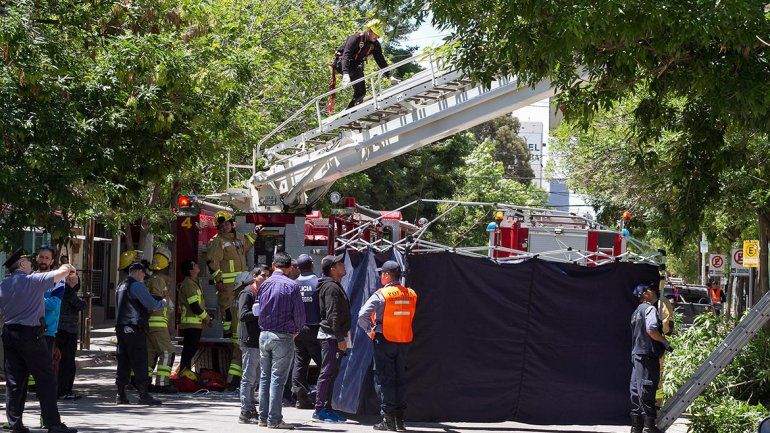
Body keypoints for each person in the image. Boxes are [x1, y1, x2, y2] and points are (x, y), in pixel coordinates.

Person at [0, 248, 78, 433]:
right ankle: (53, 424)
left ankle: (15, 424)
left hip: (9, 333)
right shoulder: (33, 280)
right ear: (21, 264)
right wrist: (70, 268)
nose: (31, 265)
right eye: (28, 262)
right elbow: (62, 271)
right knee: (47, 379)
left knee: (15, 381)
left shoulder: (3, 284)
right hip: (30, 335)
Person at [358, 261, 417, 432]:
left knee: (385, 380)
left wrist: (370, 330)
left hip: (384, 340)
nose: (380, 277)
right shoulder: (411, 294)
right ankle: (399, 420)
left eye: (381, 274)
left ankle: (388, 419)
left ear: (386, 275)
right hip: (404, 341)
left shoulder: (382, 294)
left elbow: (363, 314)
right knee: (400, 379)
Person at [206, 212, 261, 389]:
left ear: (232, 224)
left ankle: (236, 336)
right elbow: (212, 262)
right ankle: (229, 333)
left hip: (242, 284)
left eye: (227, 224)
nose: (224, 227)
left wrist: (255, 233)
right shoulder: (217, 241)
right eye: (221, 225)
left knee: (238, 312)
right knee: (228, 310)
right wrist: (218, 280)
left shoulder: (238, 238)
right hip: (228, 286)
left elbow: (246, 245)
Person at [257, 252, 306, 429]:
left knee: (264, 378)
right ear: (289, 267)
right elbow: (300, 315)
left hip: (264, 334)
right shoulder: (292, 286)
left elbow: (258, 308)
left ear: (272, 265)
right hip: (283, 336)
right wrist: (296, 331)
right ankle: (274, 420)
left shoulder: (264, 284)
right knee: (277, 379)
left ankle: (263, 418)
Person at [115, 262, 166, 406]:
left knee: (123, 360)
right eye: (143, 273)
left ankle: (121, 394)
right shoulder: (136, 285)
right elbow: (152, 304)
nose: (144, 277)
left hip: (121, 327)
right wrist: (162, 302)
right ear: (138, 272)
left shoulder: (120, 286)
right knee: (140, 360)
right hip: (134, 327)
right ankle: (143, 394)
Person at [629, 282, 673, 433]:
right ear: (644, 294)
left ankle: (637, 427)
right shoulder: (649, 309)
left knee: (636, 390)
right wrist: (664, 341)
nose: (654, 292)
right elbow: (651, 329)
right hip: (647, 354)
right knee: (647, 388)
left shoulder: (636, 312)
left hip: (637, 354)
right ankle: (649, 427)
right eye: (650, 290)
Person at [312, 254, 350, 423]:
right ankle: (319, 410)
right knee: (327, 372)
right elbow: (332, 315)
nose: (343, 265)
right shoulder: (331, 288)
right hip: (331, 336)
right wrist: (340, 338)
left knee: (331, 373)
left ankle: (327, 408)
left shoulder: (334, 285)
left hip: (334, 336)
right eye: (340, 263)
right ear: (332, 269)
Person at [334, 19, 399, 109]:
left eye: (378, 35)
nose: (377, 37)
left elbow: (381, 61)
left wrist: (389, 76)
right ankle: (353, 107)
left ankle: (350, 110)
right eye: (375, 33)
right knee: (356, 72)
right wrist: (345, 73)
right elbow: (346, 55)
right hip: (341, 62)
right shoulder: (356, 37)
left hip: (355, 65)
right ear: (369, 30)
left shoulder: (375, 45)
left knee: (361, 91)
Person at [237, 265, 271, 424]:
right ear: (255, 276)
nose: (266, 278)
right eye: (263, 275)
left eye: (267, 276)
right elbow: (243, 315)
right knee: (248, 377)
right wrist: (257, 312)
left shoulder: (263, 292)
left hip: (260, 340)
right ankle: (245, 411)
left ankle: (251, 408)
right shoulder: (247, 293)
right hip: (250, 340)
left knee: (256, 378)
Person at [144, 247, 177, 393]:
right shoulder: (158, 280)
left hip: (153, 323)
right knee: (168, 352)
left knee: (151, 353)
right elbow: (156, 299)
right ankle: (162, 384)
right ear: (167, 264)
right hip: (157, 323)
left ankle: (144, 382)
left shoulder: (158, 279)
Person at [292, 255, 322, 410]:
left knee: (300, 363)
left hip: (297, 329)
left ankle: (301, 399)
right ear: (311, 264)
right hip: (315, 328)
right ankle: (323, 399)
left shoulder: (293, 284)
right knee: (324, 364)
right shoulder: (318, 282)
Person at [176, 260, 210, 374]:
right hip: (191, 324)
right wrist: (207, 318)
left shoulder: (193, 282)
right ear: (191, 271)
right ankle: (184, 374)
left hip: (195, 323)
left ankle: (185, 372)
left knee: (190, 350)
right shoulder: (189, 285)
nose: (197, 265)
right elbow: (194, 306)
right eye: (195, 265)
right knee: (189, 350)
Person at [57, 271, 86, 400]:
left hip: (61, 329)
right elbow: (79, 305)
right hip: (67, 330)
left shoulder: (60, 288)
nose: (76, 281)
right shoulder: (67, 290)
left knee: (61, 361)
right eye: (74, 278)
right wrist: (84, 301)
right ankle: (64, 390)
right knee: (67, 362)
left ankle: (60, 389)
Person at [656, 278, 675, 409]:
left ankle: (656, 402)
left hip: (652, 344)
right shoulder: (664, 303)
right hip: (658, 343)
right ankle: (657, 402)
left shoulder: (661, 302)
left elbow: (667, 326)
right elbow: (668, 327)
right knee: (658, 375)